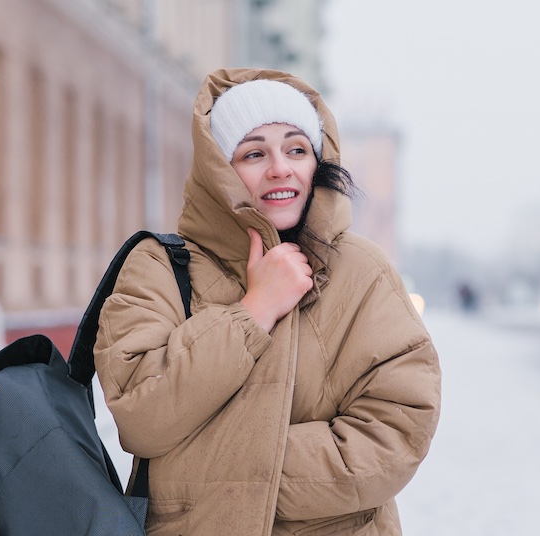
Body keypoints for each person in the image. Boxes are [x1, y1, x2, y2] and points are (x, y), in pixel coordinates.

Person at [94, 68, 441, 536]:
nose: (281, 168)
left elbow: (395, 429)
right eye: (254, 153)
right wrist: (253, 311)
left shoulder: (363, 272)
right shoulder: (157, 267)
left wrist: (225, 474)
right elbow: (142, 417)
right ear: (220, 170)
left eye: (297, 149)